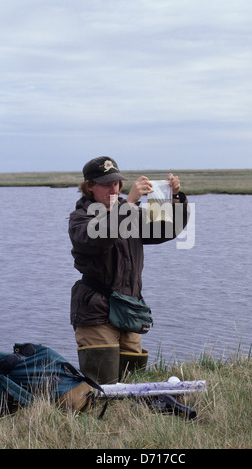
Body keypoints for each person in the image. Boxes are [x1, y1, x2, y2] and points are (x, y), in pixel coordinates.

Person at [68, 156, 189, 384]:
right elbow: (100, 237)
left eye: (116, 183)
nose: (113, 189)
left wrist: (175, 198)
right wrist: (130, 202)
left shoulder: (130, 213)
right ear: (89, 186)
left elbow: (168, 229)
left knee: (132, 385)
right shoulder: (80, 219)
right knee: (103, 387)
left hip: (129, 312)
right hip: (95, 313)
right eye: (105, 184)